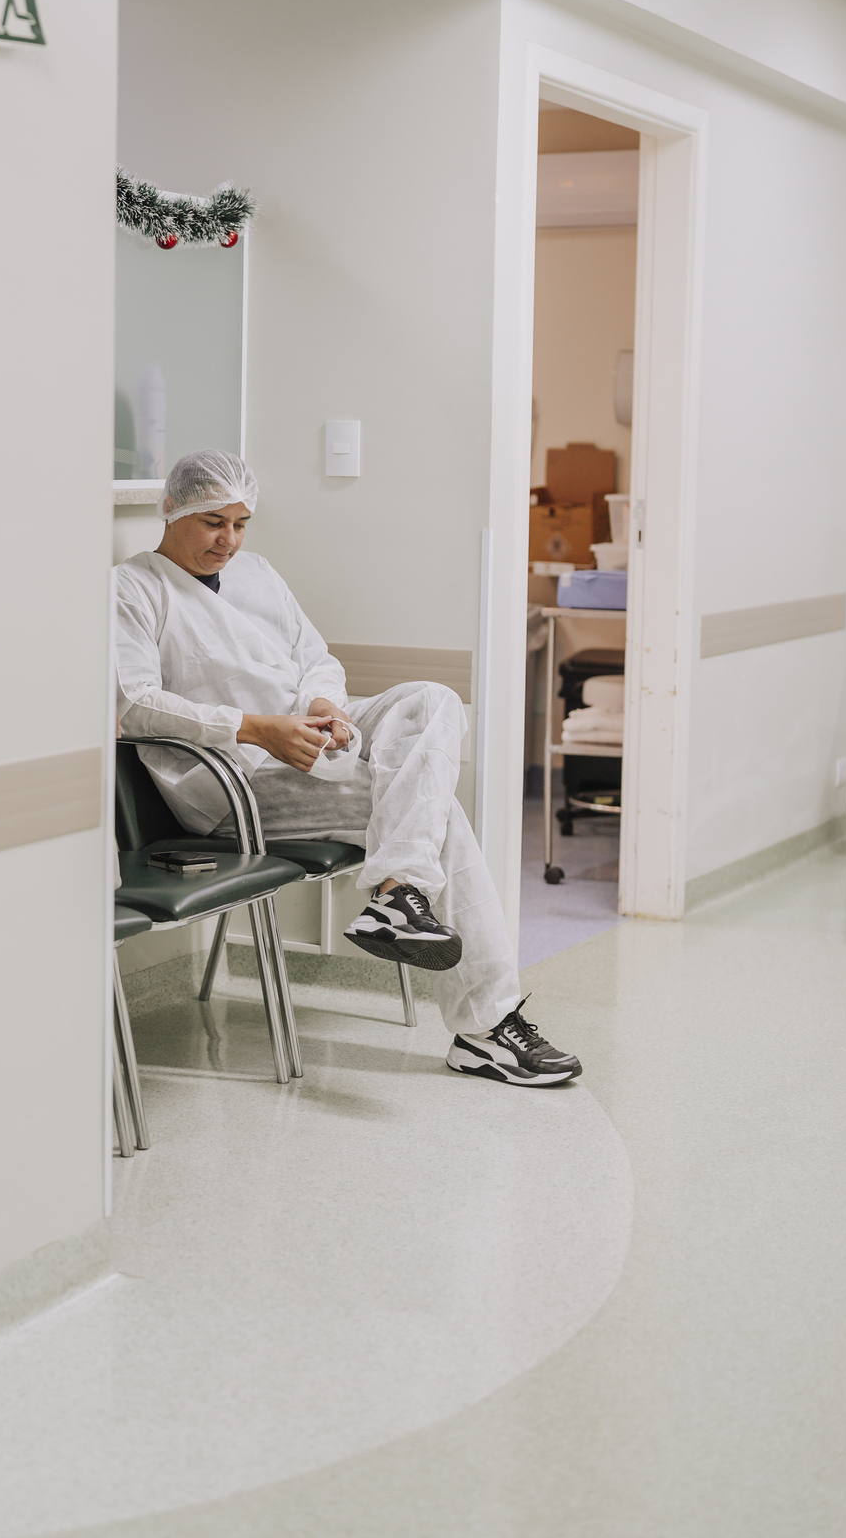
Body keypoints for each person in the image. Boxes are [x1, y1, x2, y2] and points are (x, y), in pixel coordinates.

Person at [114, 449, 581, 1087]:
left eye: (242, 523)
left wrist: (322, 705)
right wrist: (255, 728)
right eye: (213, 522)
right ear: (171, 509)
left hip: (305, 741)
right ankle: (483, 1023)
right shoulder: (133, 588)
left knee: (431, 700)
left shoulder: (258, 574)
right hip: (234, 780)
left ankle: (398, 893)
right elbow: (133, 705)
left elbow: (315, 658)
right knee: (436, 814)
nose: (229, 540)